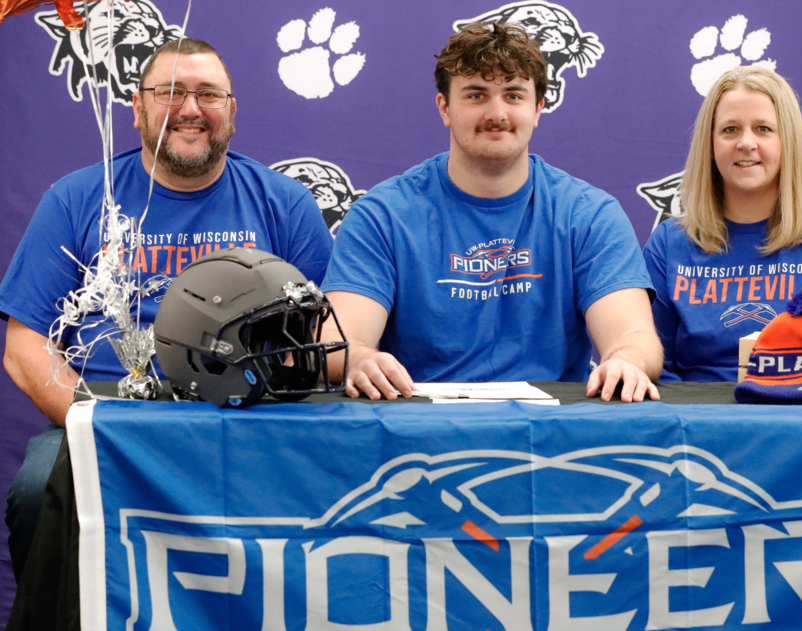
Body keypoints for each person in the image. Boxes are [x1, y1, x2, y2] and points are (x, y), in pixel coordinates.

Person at [0, 38, 333, 581]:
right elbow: (24, 349)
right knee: (41, 490)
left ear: (232, 111)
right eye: (170, 92)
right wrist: (97, 423)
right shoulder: (77, 199)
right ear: (137, 109)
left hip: (249, 418)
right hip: (105, 416)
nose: (190, 109)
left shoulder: (285, 203)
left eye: (209, 94)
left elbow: (324, 328)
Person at [321, 22, 662, 403]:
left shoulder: (590, 215)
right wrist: (360, 360)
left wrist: (626, 360)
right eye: (476, 95)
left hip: (555, 431)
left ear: (537, 109)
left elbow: (634, 337)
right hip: (416, 427)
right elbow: (339, 341)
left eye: (513, 95)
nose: (497, 112)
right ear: (445, 108)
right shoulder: (382, 216)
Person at [644, 66, 802, 382]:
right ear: (709, 145)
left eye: (763, 129)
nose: (746, 143)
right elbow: (647, 367)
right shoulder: (669, 243)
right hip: (700, 422)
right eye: (730, 130)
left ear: (788, 141)